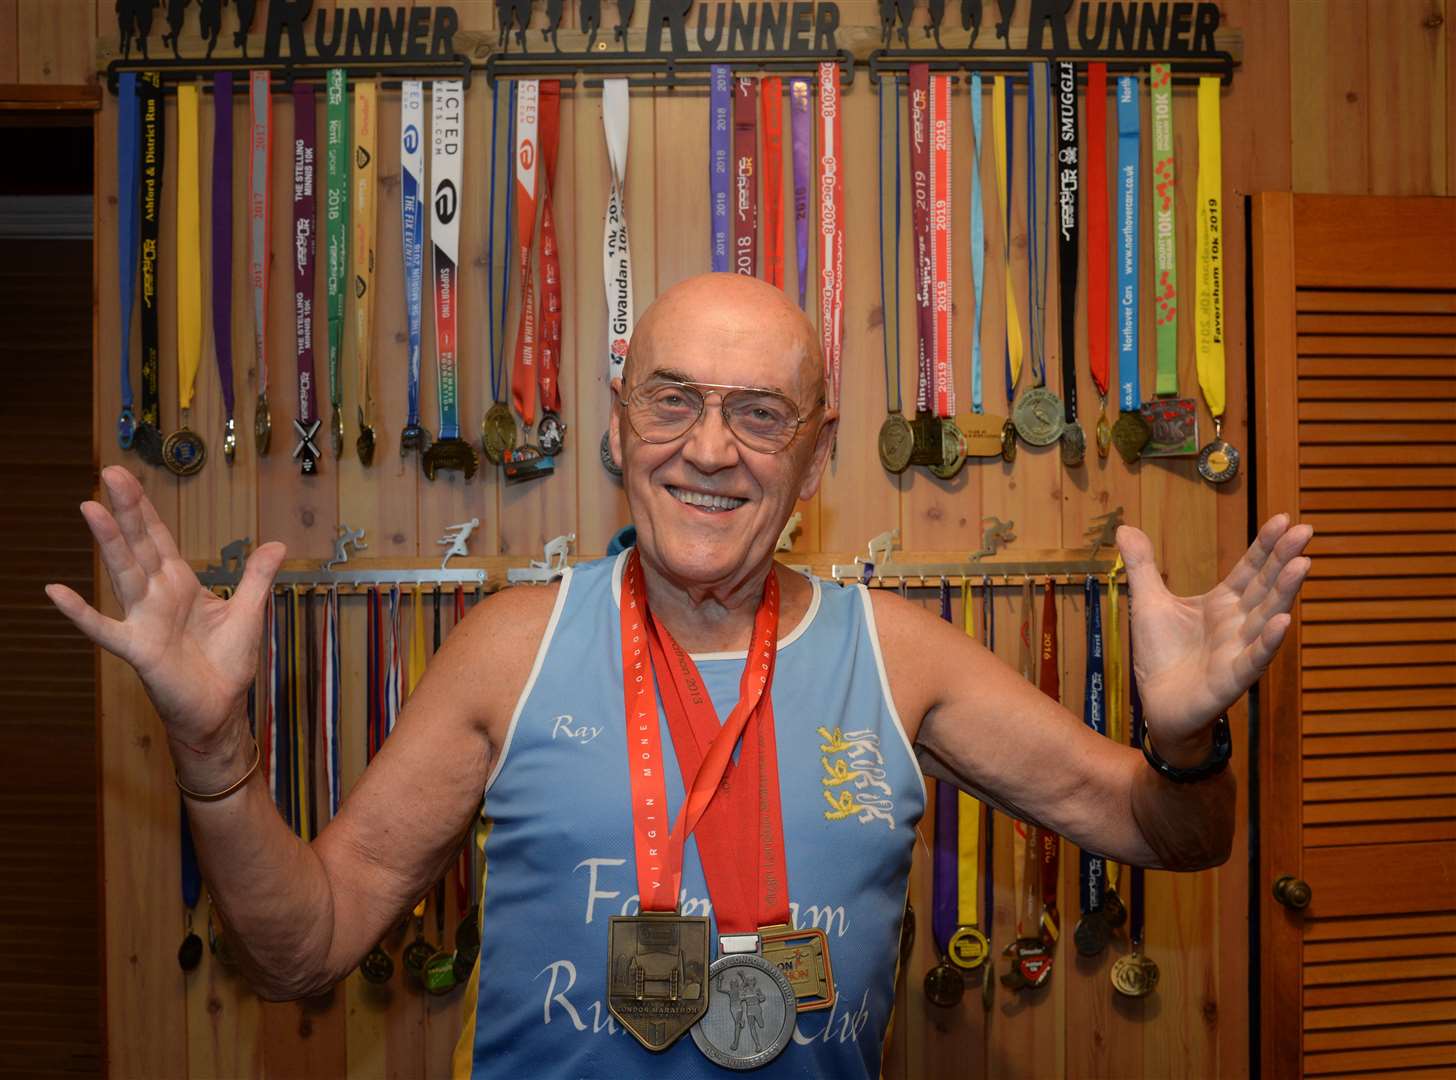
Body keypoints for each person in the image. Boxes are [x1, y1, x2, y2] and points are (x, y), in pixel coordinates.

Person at [50, 274, 1311, 1077]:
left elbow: (1170, 834)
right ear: (615, 422)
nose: (709, 449)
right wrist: (216, 756)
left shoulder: (898, 651)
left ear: (815, 459)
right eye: (672, 400)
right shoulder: (513, 644)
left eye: (760, 414)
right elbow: (308, 945)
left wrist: (1189, 741)